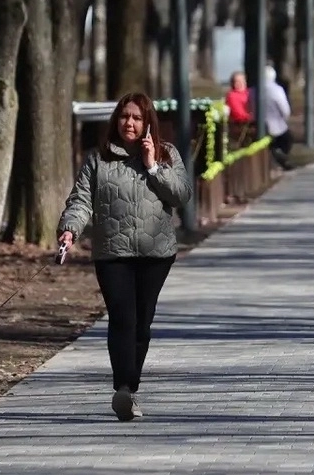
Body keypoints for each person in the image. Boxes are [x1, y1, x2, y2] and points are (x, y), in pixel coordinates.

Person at [57, 92, 193, 421]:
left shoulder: (166, 154)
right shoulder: (97, 160)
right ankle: (122, 389)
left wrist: (152, 166)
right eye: (123, 117)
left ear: (148, 123)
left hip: (155, 253)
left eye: (135, 118)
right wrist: (70, 229)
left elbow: (182, 195)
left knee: (142, 322)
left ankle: (131, 387)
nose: (128, 123)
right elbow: (81, 200)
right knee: (122, 319)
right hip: (112, 252)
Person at [258, 65, 295, 170]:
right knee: (287, 139)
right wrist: (285, 116)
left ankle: (276, 157)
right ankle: (280, 157)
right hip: (276, 124)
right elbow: (284, 108)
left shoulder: (255, 89)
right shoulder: (277, 89)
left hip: (259, 124)